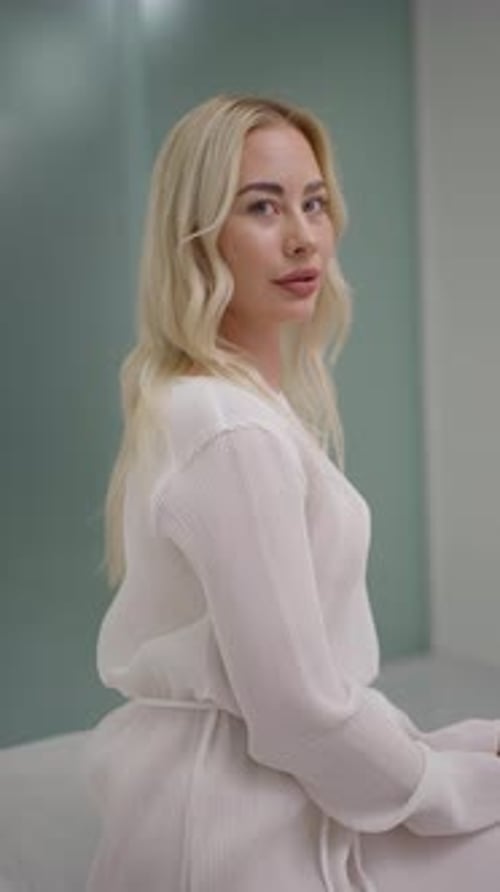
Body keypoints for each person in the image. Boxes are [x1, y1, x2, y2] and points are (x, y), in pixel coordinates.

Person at [85, 94, 500, 892]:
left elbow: (298, 693)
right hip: (244, 833)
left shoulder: (220, 404)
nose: (304, 234)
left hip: (259, 792)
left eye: (314, 203)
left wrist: (453, 747)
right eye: (262, 207)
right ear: (198, 235)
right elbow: (296, 711)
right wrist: (460, 786)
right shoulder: (231, 430)